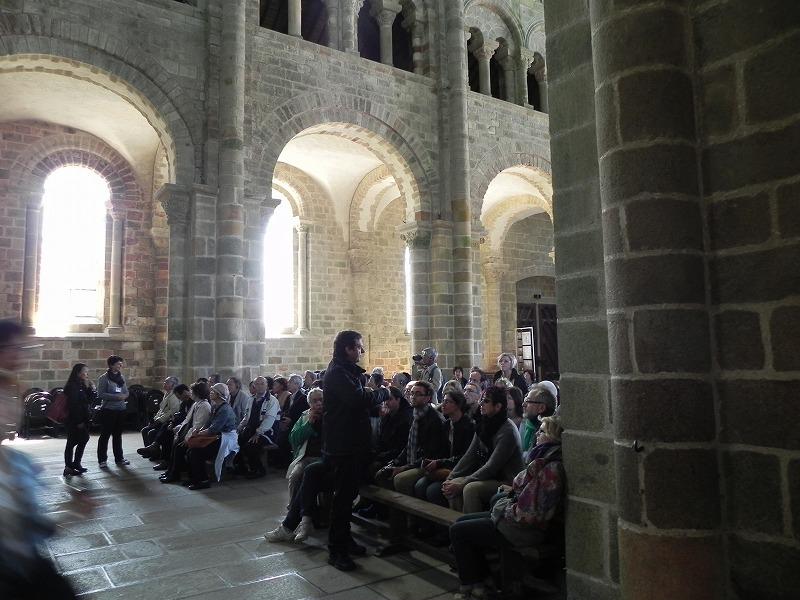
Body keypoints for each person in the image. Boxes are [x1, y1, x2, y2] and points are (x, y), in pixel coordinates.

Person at [267, 330, 372, 572]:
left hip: (348, 445)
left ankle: (340, 538)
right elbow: (357, 400)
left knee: (335, 490)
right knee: (342, 500)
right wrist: (377, 393)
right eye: (358, 347)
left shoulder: (345, 371)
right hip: (344, 447)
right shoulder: (338, 373)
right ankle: (337, 550)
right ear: (347, 348)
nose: (362, 351)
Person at [0, 320, 82, 599]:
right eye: (13, 348)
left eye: (13, 396)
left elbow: (27, 530)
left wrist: (72, 514)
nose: (10, 407)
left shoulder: (17, 464)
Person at [449, 417, 565, 599]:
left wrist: (502, 508)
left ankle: (473, 583)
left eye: (542, 431)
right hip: (513, 520)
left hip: (522, 530)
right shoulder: (543, 458)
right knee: (461, 522)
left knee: (459, 531)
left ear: (553, 436)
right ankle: (483, 578)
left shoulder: (551, 468)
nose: (537, 433)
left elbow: (530, 514)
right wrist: (508, 498)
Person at [442, 386, 524, 513]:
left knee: (470, 489)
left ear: (498, 406)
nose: (481, 404)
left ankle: (470, 524)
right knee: (452, 483)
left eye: (486, 401)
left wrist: (463, 483)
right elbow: (470, 456)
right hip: (490, 476)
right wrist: (450, 477)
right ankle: (457, 521)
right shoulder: (484, 423)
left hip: (507, 480)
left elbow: (492, 466)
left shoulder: (508, 431)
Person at [379, 380, 447, 497]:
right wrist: (395, 462)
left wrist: (404, 467)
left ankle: (404, 508)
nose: (413, 396)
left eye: (418, 394)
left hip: (427, 464)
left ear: (428, 398)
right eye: (412, 393)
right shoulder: (415, 415)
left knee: (401, 479)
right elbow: (409, 445)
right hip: (414, 460)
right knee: (382, 472)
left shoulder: (434, 420)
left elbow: (430, 453)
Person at [415, 390, 475, 506]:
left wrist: (439, 463)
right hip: (447, 466)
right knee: (420, 485)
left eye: (448, 402)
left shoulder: (469, 426)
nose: (443, 404)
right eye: (443, 401)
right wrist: (432, 461)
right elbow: (442, 450)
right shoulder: (447, 425)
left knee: (433, 491)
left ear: (458, 405)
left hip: (462, 469)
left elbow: (466, 456)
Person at [184, 382, 238, 490]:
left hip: (225, 439)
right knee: (190, 450)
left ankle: (203, 480)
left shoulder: (225, 409)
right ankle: (194, 478)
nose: (210, 392)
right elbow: (208, 424)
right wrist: (199, 431)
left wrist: (199, 433)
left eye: (213, 391)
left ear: (219, 394)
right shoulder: (215, 406)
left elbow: (214, 428)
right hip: (216, 437)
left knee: (196, 453)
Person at [159, 381, 211, 484]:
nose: (190, 393)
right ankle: (170, 471)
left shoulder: (205, 406)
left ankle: (175, 474)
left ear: (197, 393)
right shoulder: (196, 404)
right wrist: (178, 429)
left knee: (179, 448)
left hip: (198, 436)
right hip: (192, 433)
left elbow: (198, 426)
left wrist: (187, 438)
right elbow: (187, 420)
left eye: (192, 391)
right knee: (175, 444)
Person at [235, 375, 280, 478]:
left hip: (268, 432)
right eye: (257, 384)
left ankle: (258, 470)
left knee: (251, 446)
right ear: (254, 386)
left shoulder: (272, 401)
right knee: (236, 441)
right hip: (251, 429)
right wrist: (239, 428)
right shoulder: (251, 399)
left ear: (267, 386)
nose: (259, 386)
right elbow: (246, 417)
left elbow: (269, 419)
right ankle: (242, 467)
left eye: (262, 384)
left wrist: (258, 433)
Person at [286, 387, 324, 499]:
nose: (319, 403)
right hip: (306, 457)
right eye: (315, 401)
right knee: (295, 476)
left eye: (321, 400)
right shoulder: (305, 416)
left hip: (324, 457)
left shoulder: (332, 415)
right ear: (309, 404)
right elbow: (293, 438)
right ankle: (293, 506)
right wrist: (309, 424)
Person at [62, 363, 96, 476]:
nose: (87, 374)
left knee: (82, 439)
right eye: (85, 372)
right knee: (73, 442)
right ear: (78, 373)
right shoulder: (72, 386)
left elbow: (88, 401)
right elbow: (73, 405)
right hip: (74, 419)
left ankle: (76, 464)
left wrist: (92, 389)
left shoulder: (80, 384)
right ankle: (69, 466)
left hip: (82, 417)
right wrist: (78, 421)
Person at [96, 355, 130, 468]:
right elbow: (101, 394)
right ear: (111, 365)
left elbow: (126, 391)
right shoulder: (104, 378)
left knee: (117, 435)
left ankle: (119, 458)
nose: (121, 365)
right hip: (108, 410)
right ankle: (102, 460)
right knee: (105, 435)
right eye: (118, 364)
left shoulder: (121, 377)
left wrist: (125, 396)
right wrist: (117, 397)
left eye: (121, 364)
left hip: (121, 409)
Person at [151, 384, 192, 469]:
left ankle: (165, 460)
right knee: (166, 428)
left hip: (188, 427)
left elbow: (189, 418)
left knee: (167, 435)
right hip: (180, 424)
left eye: (179, 396)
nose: (179, 399)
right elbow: (179, 414)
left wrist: (176, 424)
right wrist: (172, 423)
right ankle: (162, 458)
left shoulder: (194, 403)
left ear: (184, 392)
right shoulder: (184, 402)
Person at [138, 376, 180, 457]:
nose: (164, 383)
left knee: (151, 432)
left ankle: (154, 453)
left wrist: (159, 420)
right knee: (144, 430)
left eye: (167, 382)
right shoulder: (166, 394)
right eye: (164, 382)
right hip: (160, 420)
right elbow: (161, 409)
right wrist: (155, 419)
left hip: (166, 421)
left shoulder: (174, 396)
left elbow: (172, 412)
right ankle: (149, 451)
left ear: (173, 385)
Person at [520, 381, 558, 462]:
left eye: (528, 401)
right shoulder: (530, 426)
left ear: (541, 408)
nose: (523, 404)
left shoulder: (547, 436)